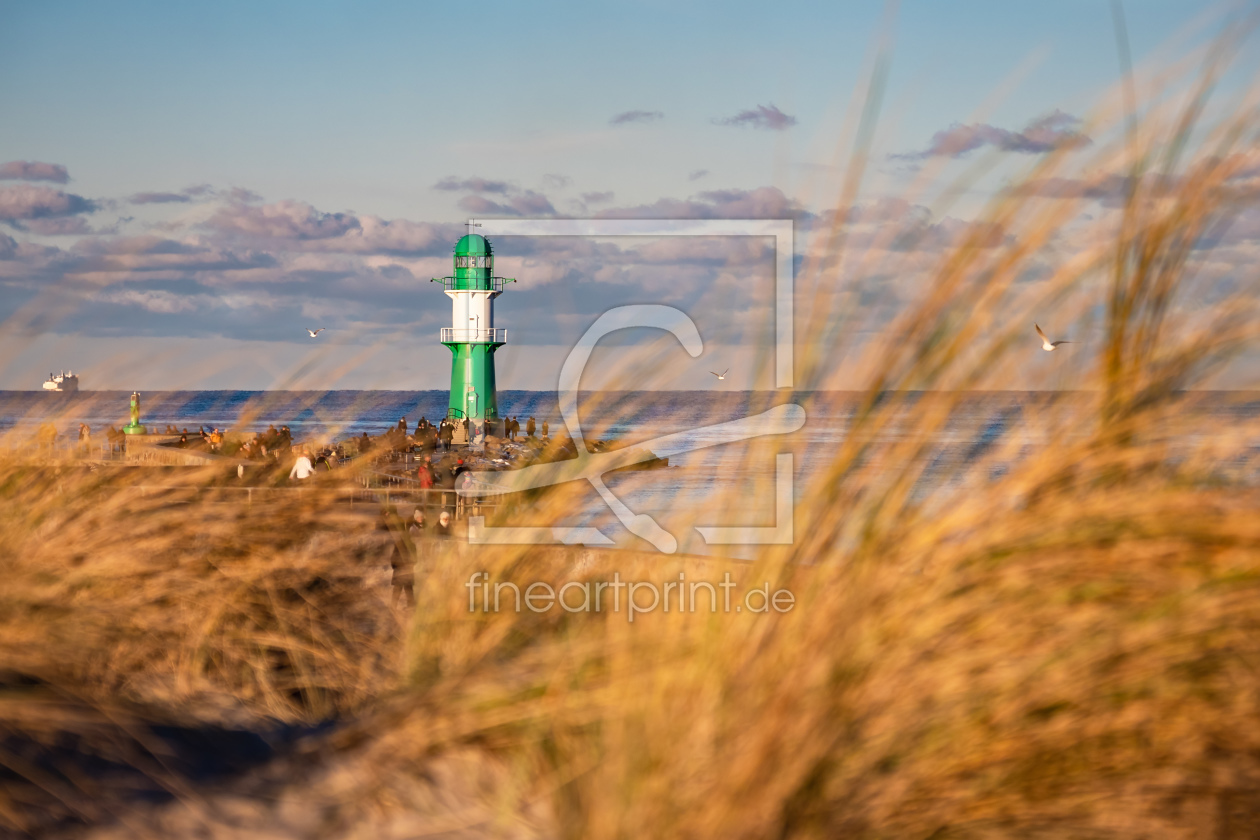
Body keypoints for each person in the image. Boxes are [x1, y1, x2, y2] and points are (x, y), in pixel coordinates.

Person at [378, 507, 414, 608]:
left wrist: (395, 566)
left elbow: (394, 558)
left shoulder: (400, 544)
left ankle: (395, 605)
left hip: (401, 569)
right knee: (407, 588)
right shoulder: (409, 544)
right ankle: (408, 604)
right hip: (405, 569)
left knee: (401, 589)